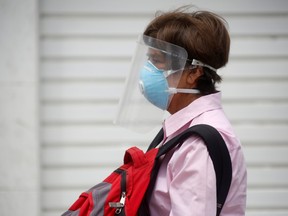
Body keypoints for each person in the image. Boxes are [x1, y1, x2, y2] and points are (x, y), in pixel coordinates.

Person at [116, 6, 247, 216]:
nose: (147, 71)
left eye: (157, 61)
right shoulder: (184, 130)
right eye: (148, 60)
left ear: (194, 72)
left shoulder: (198, 144)